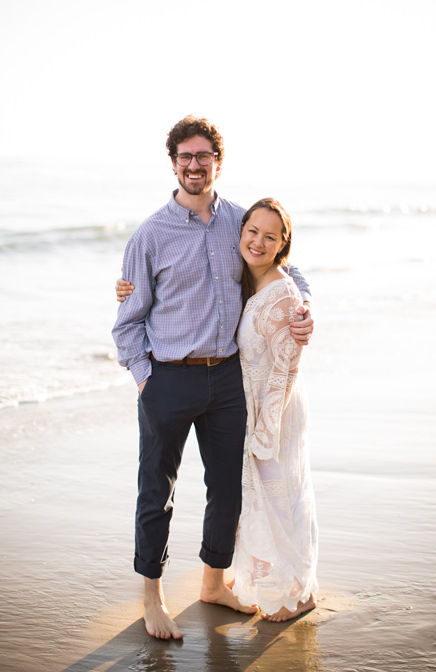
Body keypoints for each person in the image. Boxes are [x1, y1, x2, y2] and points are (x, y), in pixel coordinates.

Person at [112, 115, 313, 640]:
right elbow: (128, 322)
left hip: (227, 380)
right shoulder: (150, 234)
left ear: (217, 162)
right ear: (173, 163)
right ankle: (152, 599)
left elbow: (289, 266)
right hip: (167, 379)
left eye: (204, 156)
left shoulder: (242, 221)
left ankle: (212, 584)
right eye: (185, 157)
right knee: (156, 491)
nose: (194, 165)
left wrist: (305, 306)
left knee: (227, 490)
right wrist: (143, 380)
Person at [230, 198, 318, 622]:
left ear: (283, 245)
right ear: (241, 231)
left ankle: (299, 594)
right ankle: (265, 577)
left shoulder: (282, 293)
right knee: (262, 500)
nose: (258, 242)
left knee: (284, 501)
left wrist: (264, 430)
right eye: (252, 232)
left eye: (270, 236)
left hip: (275, 413)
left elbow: (285, 370)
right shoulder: (249, 279)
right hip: (254, 407)